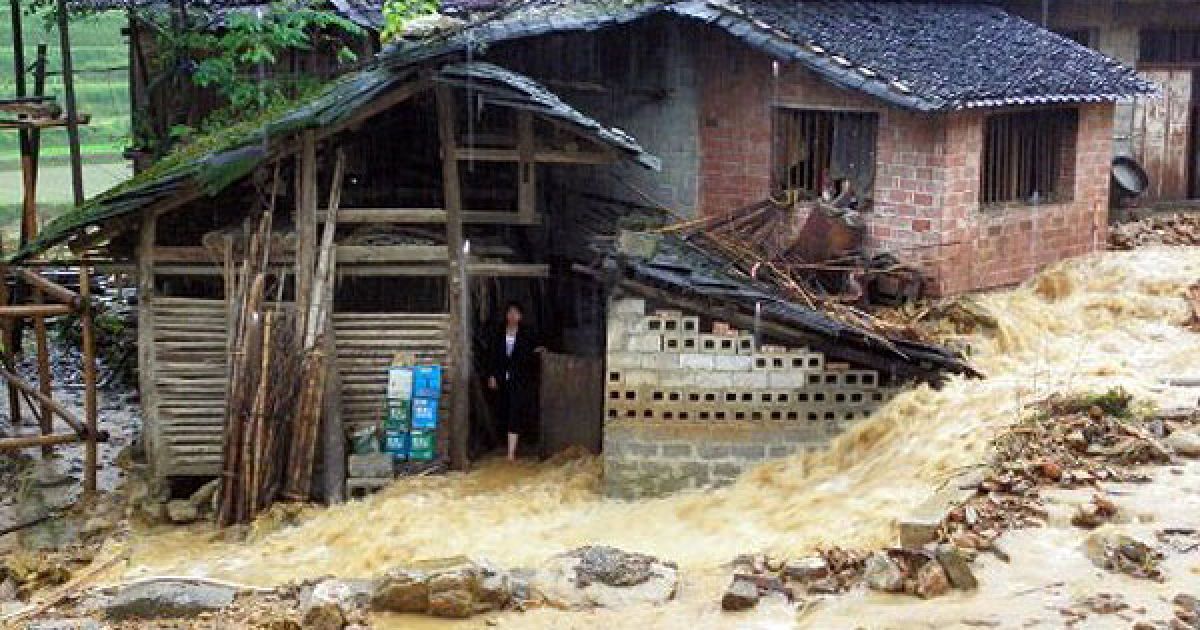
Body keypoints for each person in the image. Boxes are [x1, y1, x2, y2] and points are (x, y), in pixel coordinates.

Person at [486, 302, 541, 461]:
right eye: (510, 313)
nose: (512, 316)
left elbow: (533, 353)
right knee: (502, 409)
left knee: (515, 412)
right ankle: (503, 445)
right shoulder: (498, 334)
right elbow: (492, 356)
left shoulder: (526, 335)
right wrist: (492, 375)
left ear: (521, 317)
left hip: (520, 379)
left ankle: (511, 453)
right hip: (501, 378)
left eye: (516, 313)